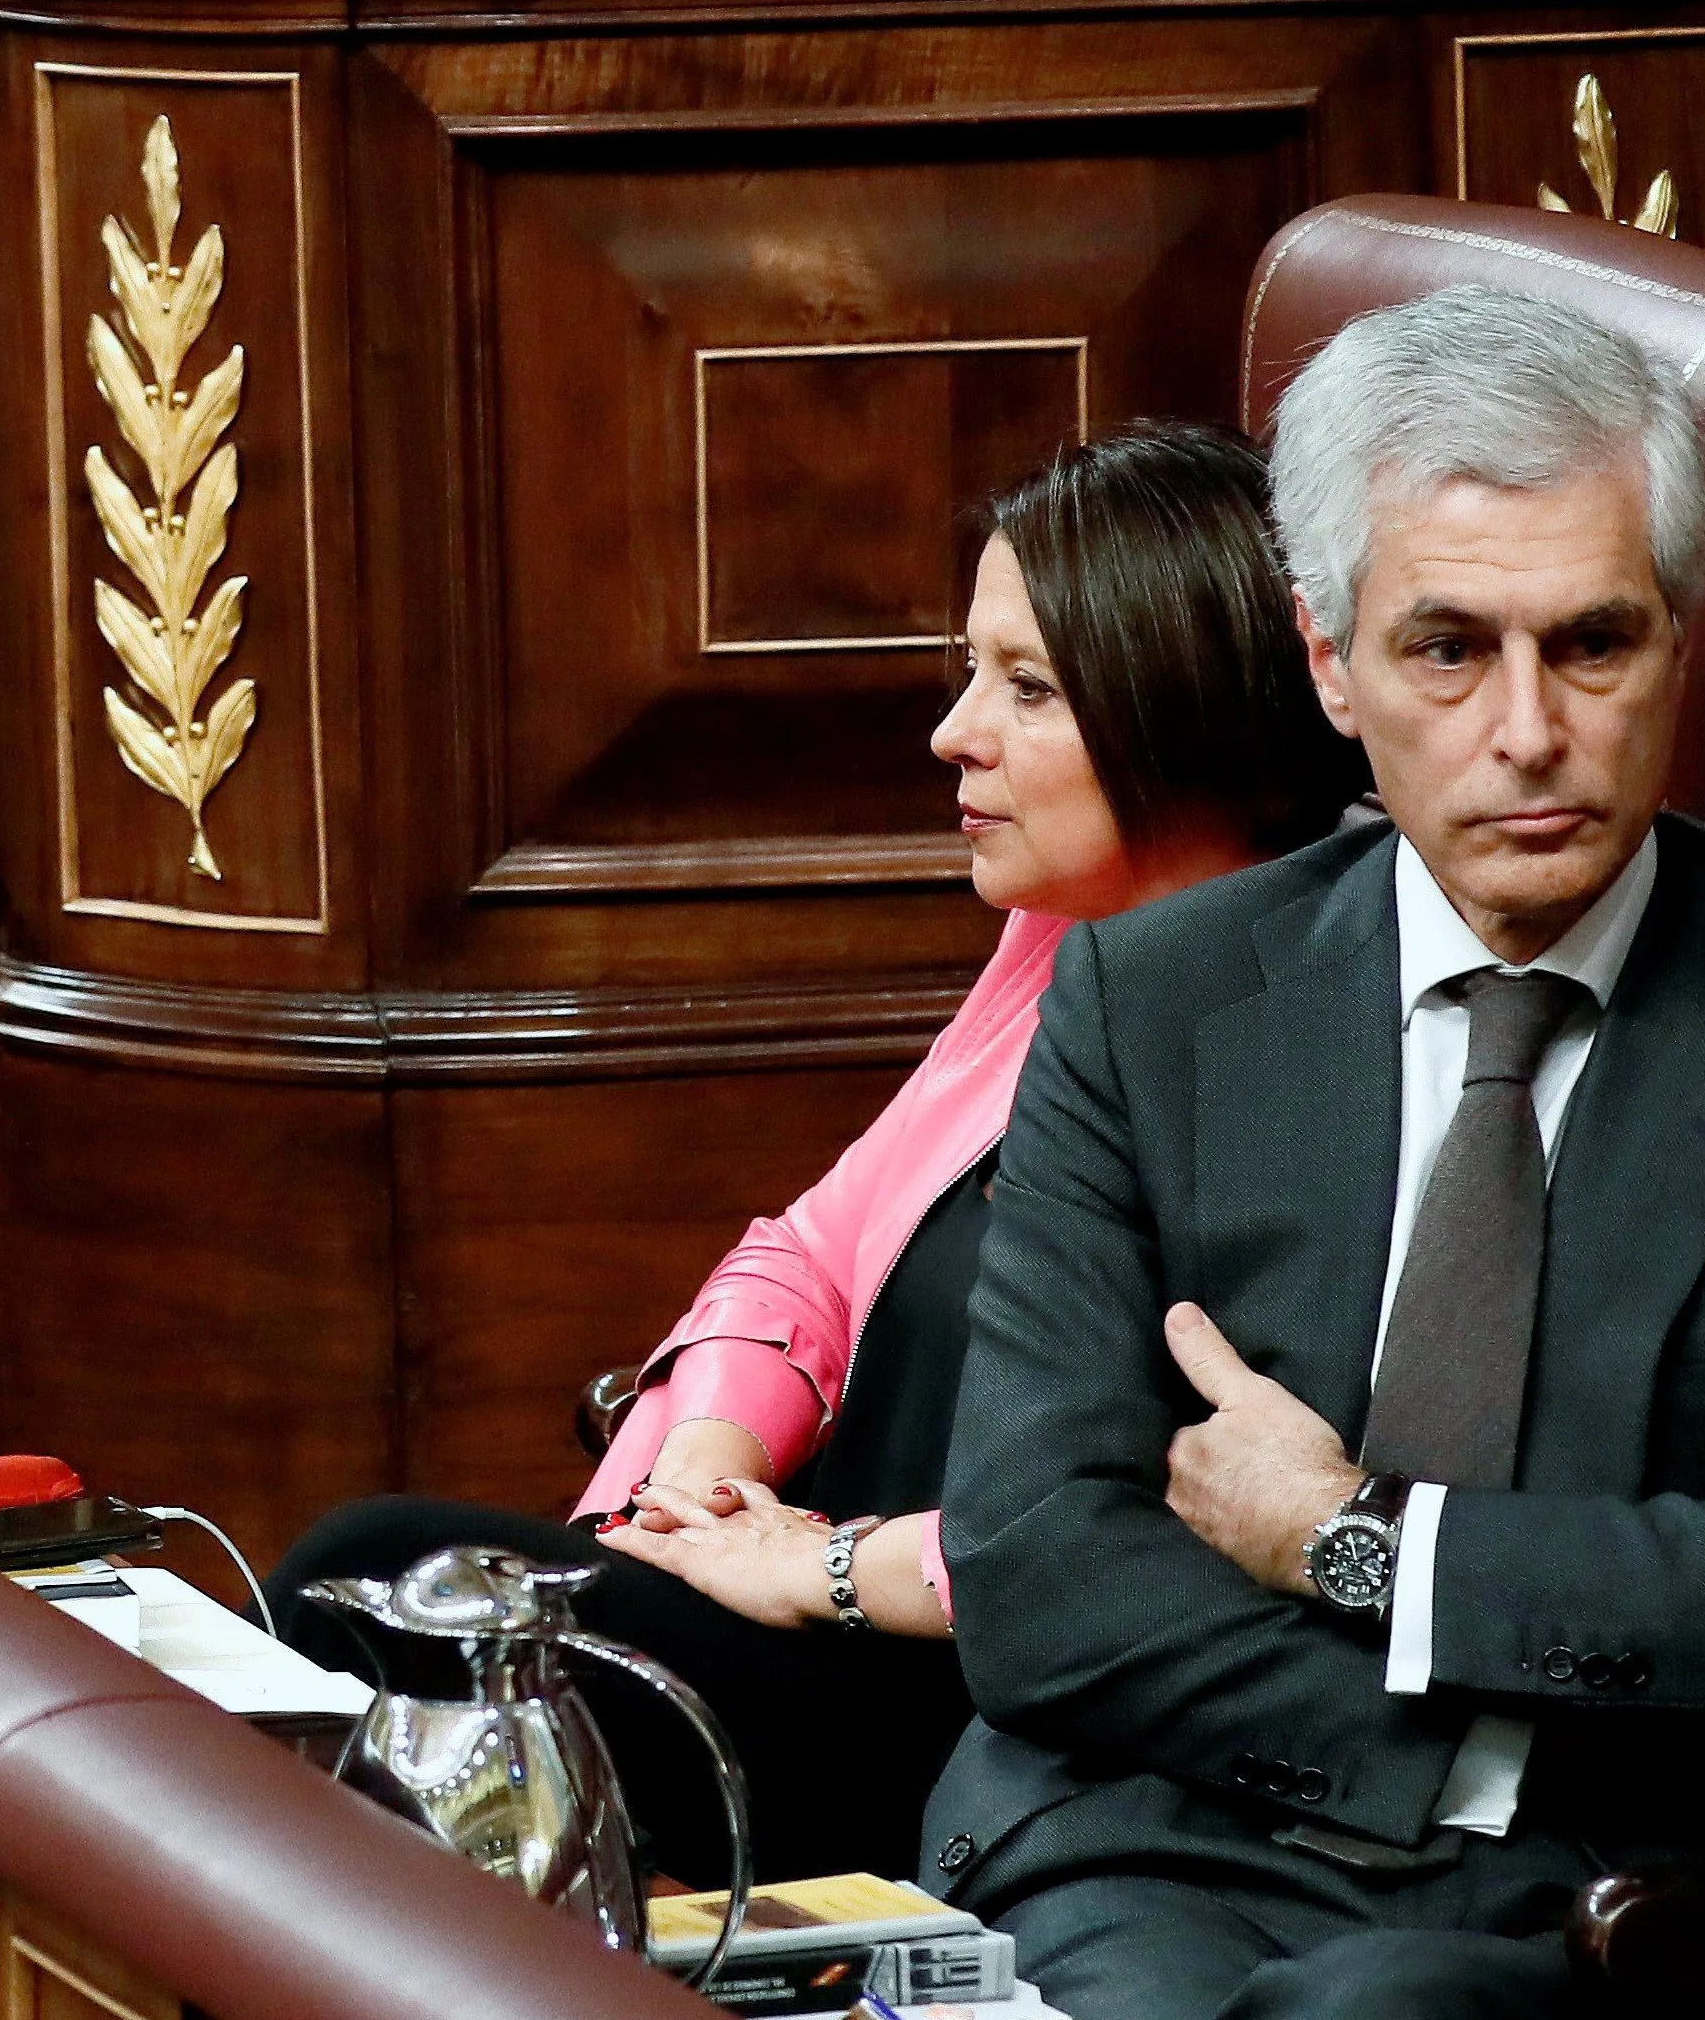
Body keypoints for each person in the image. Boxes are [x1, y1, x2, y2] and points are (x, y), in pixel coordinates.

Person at [930, 286, 1705, 2019]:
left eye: (1592, 643)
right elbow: (1038, 1576)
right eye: (1448, 649)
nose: (1528, 732)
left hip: (1582, 1912)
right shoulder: (1156, 993)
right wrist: (1592, 1634)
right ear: (1326, 663)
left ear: (1679, 634)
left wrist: (1349, 1537)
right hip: (1144, 1847)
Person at [268, 422, 1375, 1884]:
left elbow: (1149, 1531)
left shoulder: (1292, 1041)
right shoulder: (1060, 934)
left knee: (367, 1583)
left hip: (984, 1707)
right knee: (377, 1595)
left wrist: (819, 1569)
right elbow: (808, 1250)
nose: (952, 732)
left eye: (1026, 688)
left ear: (1184, 713)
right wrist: (699, 1477)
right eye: (970, 667)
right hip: (799, 1587)